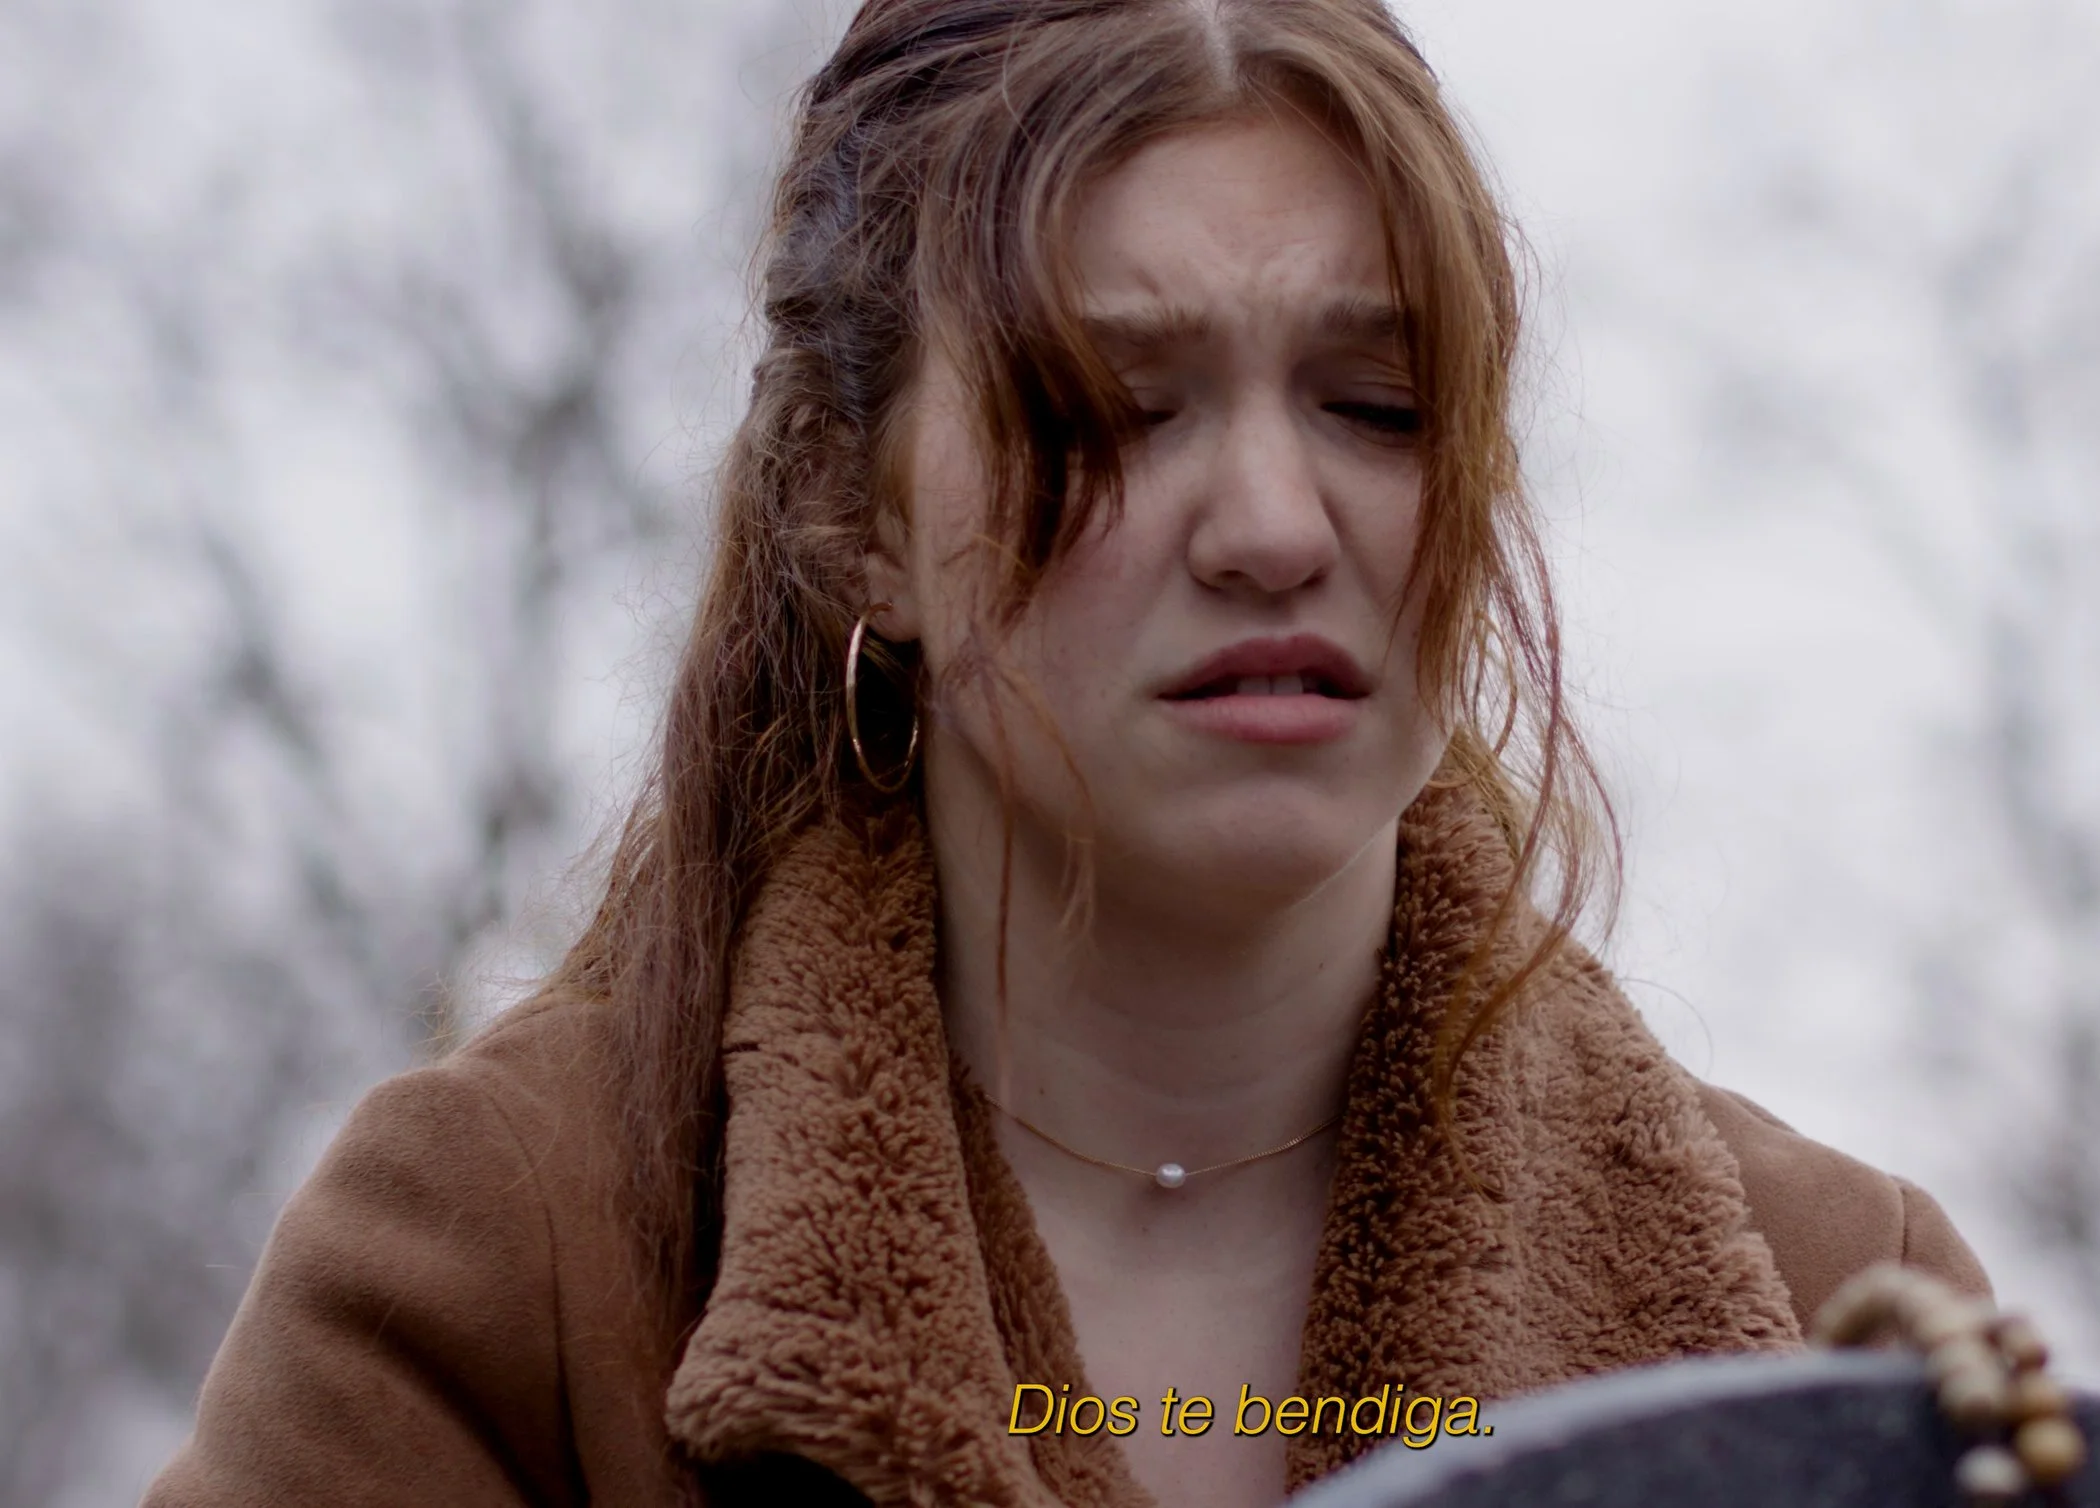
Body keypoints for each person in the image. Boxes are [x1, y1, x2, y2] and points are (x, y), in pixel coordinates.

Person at [144, 1, 1990, 1504]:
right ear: (854, 513)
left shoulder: (1833, 1314)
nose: (1273, 524)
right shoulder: (507, 1266)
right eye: (1112, 409)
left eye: (1376, 406)